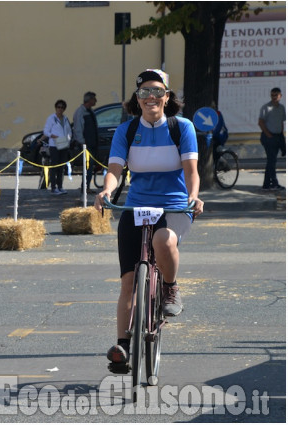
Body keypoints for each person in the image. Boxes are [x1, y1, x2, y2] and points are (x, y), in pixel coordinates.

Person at [93, 69, 204, 368]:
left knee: (163, 239)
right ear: (137, 98)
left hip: (174, 207)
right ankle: (123, 348)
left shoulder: (182, 128)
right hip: (136, 207)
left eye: (157, 92)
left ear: (167, 97)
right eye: (144, 93)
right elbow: (115, 171)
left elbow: (192, 172)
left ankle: (170, 287)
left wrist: (193, 197)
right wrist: (106, 191)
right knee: (128, 282)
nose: (151, 97)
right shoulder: (126, 131)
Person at [258, 87, 286, 191]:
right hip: (268, 137)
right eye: (272, 95)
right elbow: (260, 122)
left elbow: (281, 123)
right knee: (272, 160)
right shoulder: (266, 107)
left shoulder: (282, 108)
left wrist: (281, 136)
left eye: (276, 95)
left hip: (278, 136)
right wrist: (268, 135)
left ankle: (266, 184)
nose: (274, 97)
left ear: (280, 96)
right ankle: (274, 182)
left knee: (271, 161)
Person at [72, 91, 99, 194]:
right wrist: (83, 143)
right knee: (87, 166)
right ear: (89, 100)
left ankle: (86, 186)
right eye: (94, 99)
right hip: (85, 146)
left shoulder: (90, 111)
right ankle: (85, 187)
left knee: (90, 167)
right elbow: (78, 129)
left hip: (92, 144)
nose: (96, 101)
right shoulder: (80, 112)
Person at [43, 99, 71, 195]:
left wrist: (68, 139)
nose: (60, 109)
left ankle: (60, 186)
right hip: (54, 144)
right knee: (54, 166)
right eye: (58, 107)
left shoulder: (66, 119)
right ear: (56, 108)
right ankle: (53, 187)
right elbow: (46, 131)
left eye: (62, 107)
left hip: (63, 144)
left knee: (61, 166)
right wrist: (52, 135)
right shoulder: (51, 118)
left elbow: (69, 131)